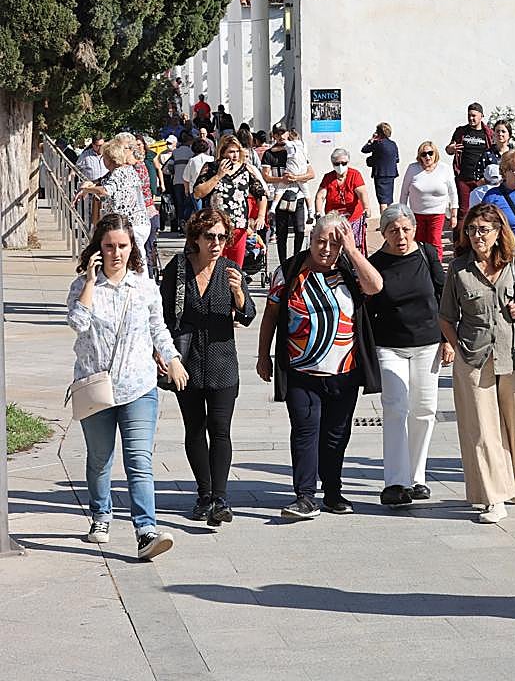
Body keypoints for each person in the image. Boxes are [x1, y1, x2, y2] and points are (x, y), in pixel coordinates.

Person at [68, 213, 187, 559]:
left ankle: (145, 530)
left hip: (138, 386)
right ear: (97, 249)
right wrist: (90, 282)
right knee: (100, 460)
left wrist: (173, 357)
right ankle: (100, 514)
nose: (116, 253)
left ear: (132, 246)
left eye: (122, 246)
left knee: (139, 460)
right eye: (109, 246)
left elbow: (158, 329)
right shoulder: (82, 286)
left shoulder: (143, 286)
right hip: (96, 387)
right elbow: (77, 323)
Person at [256, 213, 383, 519]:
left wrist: (352, 251)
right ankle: (304, 496)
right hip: (301, 371)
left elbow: (376, 286)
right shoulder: (289, 271)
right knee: (304, 431)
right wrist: (263, 355)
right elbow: (271, 315)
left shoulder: (350, 270)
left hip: (344, 372)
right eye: (320, 241)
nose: (325, 248)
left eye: (333, 243)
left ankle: (333, 492)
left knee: (335, 435)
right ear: (310, 240)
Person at [438, 204, 515, 524]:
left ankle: (512, 476)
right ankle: (493, 497)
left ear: (499, 232)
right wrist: (457, 348)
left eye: (483, 230)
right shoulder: (458, 269)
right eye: (471, 231)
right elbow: (445, 317)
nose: (476, 237)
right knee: (483, 430)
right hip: (474, 356)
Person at [160, 208, 256, 526]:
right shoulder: (178, 269)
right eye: (210, 237)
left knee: (220, 429)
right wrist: (162, 354)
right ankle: (203, 494)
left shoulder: (230, 270)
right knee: (194, 429)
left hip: (222, 363)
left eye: (221, 237)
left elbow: (248, 315)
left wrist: (239, 294)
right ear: (196, 239)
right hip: (186, 364)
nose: (216, 243)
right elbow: (160, 315)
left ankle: (220, 497)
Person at [368, 204, 453, 507]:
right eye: (392, 230)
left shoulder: (428, 255)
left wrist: (448, 340)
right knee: (396, 408)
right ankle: (396, 481)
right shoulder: (376, 262)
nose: (400, 235)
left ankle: (417, 478)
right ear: (384, 234)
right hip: (389, 345)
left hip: (427, 343)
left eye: (405, 229)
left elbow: (444, 298)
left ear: (414, 229)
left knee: (424, 409)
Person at [192, 135, 267, 266]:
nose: (235, 155)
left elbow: (261, 194)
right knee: (214, 267)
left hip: (239, 228)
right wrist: (218, 176)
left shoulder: (246, 169)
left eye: (237, 151)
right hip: (216, 228)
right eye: (231, 152)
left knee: (235, 268)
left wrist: (260, 216)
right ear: (222, 152)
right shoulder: (210, 168)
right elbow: (198, 193)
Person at [75, 139, 152, 265]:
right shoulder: (128, 170)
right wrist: (92, 184)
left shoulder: (118, 172)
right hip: (140, 223)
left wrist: (87, 189)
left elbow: (105, 190)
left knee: (132, 258)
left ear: (109, 159)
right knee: (137, 256)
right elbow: (103, 181)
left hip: (131, 224)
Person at [261, 122, 315, 265]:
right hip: (279, 196)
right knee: (281, 232)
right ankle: (284, 263)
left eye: (282, 133)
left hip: (298, 195)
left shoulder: (296, 149)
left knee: (299, 229)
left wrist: (296, 178)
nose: (280, 136)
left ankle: (297, 259)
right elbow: (266, 176)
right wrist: (282, 179)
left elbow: (311, 174)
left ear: (287, 133)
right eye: (277, 133)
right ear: (273, 135)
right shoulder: (269, 154)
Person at [398, 141, 457, 261]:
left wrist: (454, 214)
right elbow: (404, 192)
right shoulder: (412, 168)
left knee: (434, 242)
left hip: (437, 214)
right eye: (424, 154)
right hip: (416, 214)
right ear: (419, 156)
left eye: (430, 153)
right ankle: (421, 267)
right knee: (418, 242)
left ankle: (436, 269)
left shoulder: (444, 169)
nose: (427, 157)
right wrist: (402, 213)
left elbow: (453, 192)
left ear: (435, 154)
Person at [445, 102, 496, 224]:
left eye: (474, 115)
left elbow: (494, 153)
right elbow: (449, 149)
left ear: (481, 116)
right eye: (469, 115)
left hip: (482, 180)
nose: (471, 118)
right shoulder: (461, 132)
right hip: (464, 178)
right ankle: (460, 241)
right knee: (463, 211)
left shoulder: (488, 134)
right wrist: (450, 149)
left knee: (484, 211)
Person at [316, 148, 369, 255]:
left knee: (353, 244)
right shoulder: (328, 177)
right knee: (334, 242)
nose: (340, 166)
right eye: (337, 163)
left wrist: (366, 208)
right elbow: (320, 196)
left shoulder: (354, 175)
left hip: (353, 217)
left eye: (343, 163)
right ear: (332, 163)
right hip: (334, 217)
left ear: (347, 162)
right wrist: (318, 211)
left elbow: (362, 193)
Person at [128, 134, 161, 278]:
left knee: (144, 249)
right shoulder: (139, 165)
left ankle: (148, 278)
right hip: (148, 211)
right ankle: (149, 277)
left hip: (145, 213)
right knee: (145, 249)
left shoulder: (138, 167)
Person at [361, 122, 401, 207]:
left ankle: (384, 219)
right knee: (389, 200)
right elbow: (397, 159)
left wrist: (371, 140)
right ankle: (390, 218)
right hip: (391, 174)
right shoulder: (393, 144)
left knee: (382, 201)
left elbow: (364, 150)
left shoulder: (377, 143)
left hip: (380, 175)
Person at [168, 132, 195, 228]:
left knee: (179, 205)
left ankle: (180, 224)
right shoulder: (191, 153)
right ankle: (187, 224)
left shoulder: (175, 152)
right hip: (188, 182)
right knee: (188, 204)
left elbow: (169, 167)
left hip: (177, 181)